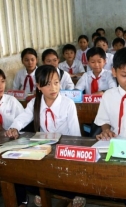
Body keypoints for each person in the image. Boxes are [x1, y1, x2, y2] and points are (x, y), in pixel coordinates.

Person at [5, 65, 83, 207]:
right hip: (43, 146)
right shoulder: (35, 102)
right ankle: (42, 191)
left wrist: (70, 150)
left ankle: (72, 194)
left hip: (64, 146)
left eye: (56, 82)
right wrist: (14, 128)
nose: (53, 88)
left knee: (67, 172)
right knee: (23, 169)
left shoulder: (68, 104)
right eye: (47, 84)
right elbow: (23, 117)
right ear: (39, 86)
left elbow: (75, 134)